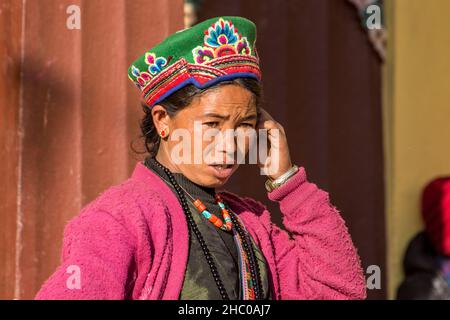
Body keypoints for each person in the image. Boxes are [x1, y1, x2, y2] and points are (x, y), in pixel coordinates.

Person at [35, 16, 366, 300]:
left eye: (245, 126)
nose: (231, 144)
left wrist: (289, 183)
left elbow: (339, 291)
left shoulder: (251, 224)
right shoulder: (120, 218)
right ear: (163, 120)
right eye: (212, 124)